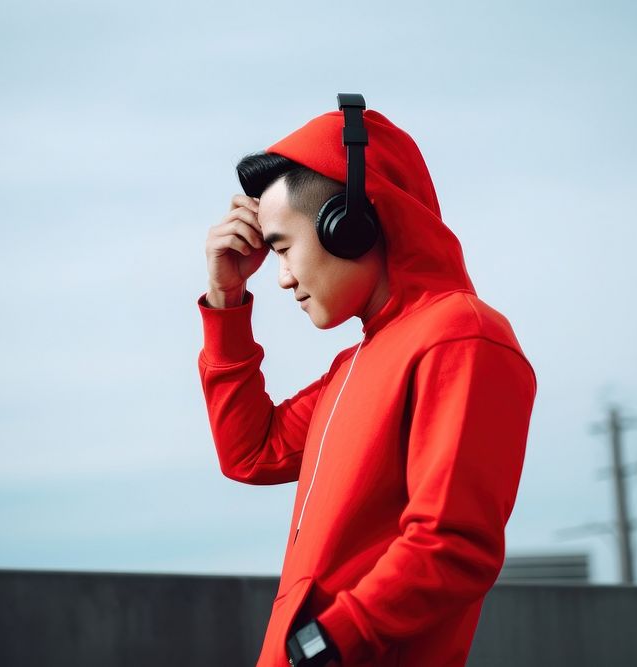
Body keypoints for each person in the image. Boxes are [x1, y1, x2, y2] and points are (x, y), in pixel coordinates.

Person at [197, 96, 537, 667]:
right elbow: (249, 453)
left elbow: (454, 543)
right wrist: (227, 300)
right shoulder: (355, 367)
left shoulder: (461, 336)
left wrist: (329, 641)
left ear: (349, 226)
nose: (280, 279)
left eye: (282, 248)